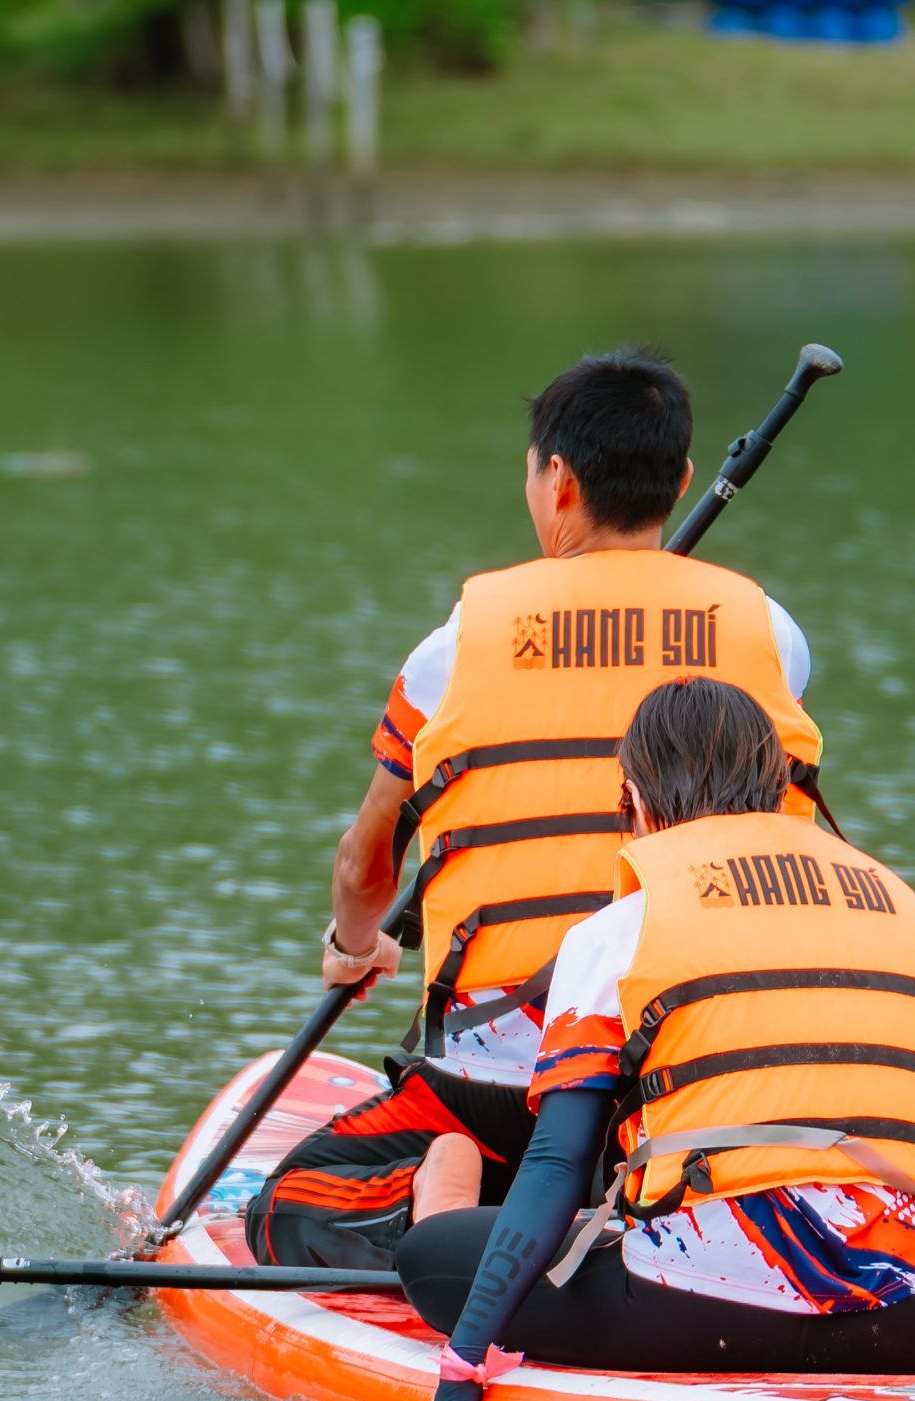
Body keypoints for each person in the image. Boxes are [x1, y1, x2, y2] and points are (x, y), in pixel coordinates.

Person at [244, 350, 828, 1271]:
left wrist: (357, 945)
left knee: (287, 1210)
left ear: (557, 480)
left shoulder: (458, 644)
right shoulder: (772, 636)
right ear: (680, 481)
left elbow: (367, 861)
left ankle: (445, 1213)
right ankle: (632, 1215)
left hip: (502, 1081)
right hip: (708, 1065)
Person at [397, 677, 915, 1401]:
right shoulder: (896, 902)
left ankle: (447, 1175)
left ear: (632, 797)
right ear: (778, 790)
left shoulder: (616, 931)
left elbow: (558, 1160)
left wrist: (462, 1369)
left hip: (695, 1319)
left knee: (433, 1257)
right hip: (909, 1321)